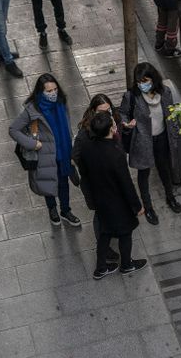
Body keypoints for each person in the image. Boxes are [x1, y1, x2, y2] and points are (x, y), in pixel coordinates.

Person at [76, 112, 147, 278]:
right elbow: (126, 183)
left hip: (100, 199)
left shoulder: (87, 147)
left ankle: (101, 268)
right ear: (110, 130)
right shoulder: (115, 154)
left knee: (104, 233)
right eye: (114, 125)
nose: (116, 127)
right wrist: (137, 206)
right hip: (117, 202)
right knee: (126, 233)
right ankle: (127, 264)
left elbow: (84, 172)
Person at [9, 73, 82, 227]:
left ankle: (66, 210)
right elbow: (13, 130)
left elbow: (67, 124)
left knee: (63, 183)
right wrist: (32, 144)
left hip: (64, 151)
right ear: (40, 92)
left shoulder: (62, 102)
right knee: (48, 183)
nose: (53, 93)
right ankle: (52, 210)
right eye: (49, 91)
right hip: (45, 156)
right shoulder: (32, 110)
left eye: (55, 89)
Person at [119, 62, 181, 226]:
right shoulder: (131, 96)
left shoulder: (165, 92)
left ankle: (170, 197)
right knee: (144, 174)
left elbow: (172, 114)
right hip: (143, 141)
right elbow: (122, 113)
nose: (142, 84)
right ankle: (148, 207)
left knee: (164, 168)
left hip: (162, 138)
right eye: (139, 81)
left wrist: (175, 133)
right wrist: (126, 123)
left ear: (153, 79)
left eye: (145, 80)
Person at [72, 94, 124, 265]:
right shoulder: (85, 134)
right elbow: (76, 157)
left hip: (112, 177)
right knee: (100, 214)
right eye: (102, 111)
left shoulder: (113, 121)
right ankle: (104, 247)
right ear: (93, 112)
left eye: (109, 110)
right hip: (96, 182)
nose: (107, 114)